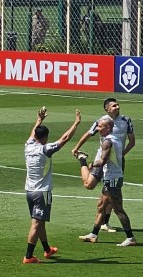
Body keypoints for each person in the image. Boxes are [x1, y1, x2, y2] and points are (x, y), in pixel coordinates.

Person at [22, 106, 82, 264]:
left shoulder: (28, 146)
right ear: (45, 137)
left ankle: (47, 249)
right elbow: (65, 138)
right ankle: (28, 256)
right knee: (36, 223)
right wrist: (76, 123)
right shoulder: (45, 150)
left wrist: (39, 120)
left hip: (29, 190)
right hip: (42, 192)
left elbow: (32, 133)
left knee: (39, 221)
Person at [73, 96, 135, 234]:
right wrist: (76, 147)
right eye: (114, 106)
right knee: (90, 185)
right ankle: (101, 229)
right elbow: (89, 134)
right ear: (107, 109)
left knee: (109, 195)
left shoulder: (126, 120)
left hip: (114, 162)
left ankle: (102, 225)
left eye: (118, 105)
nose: (117, 107)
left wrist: (120, 155)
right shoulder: (102, 121)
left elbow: (132, 141)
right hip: (101, 159)